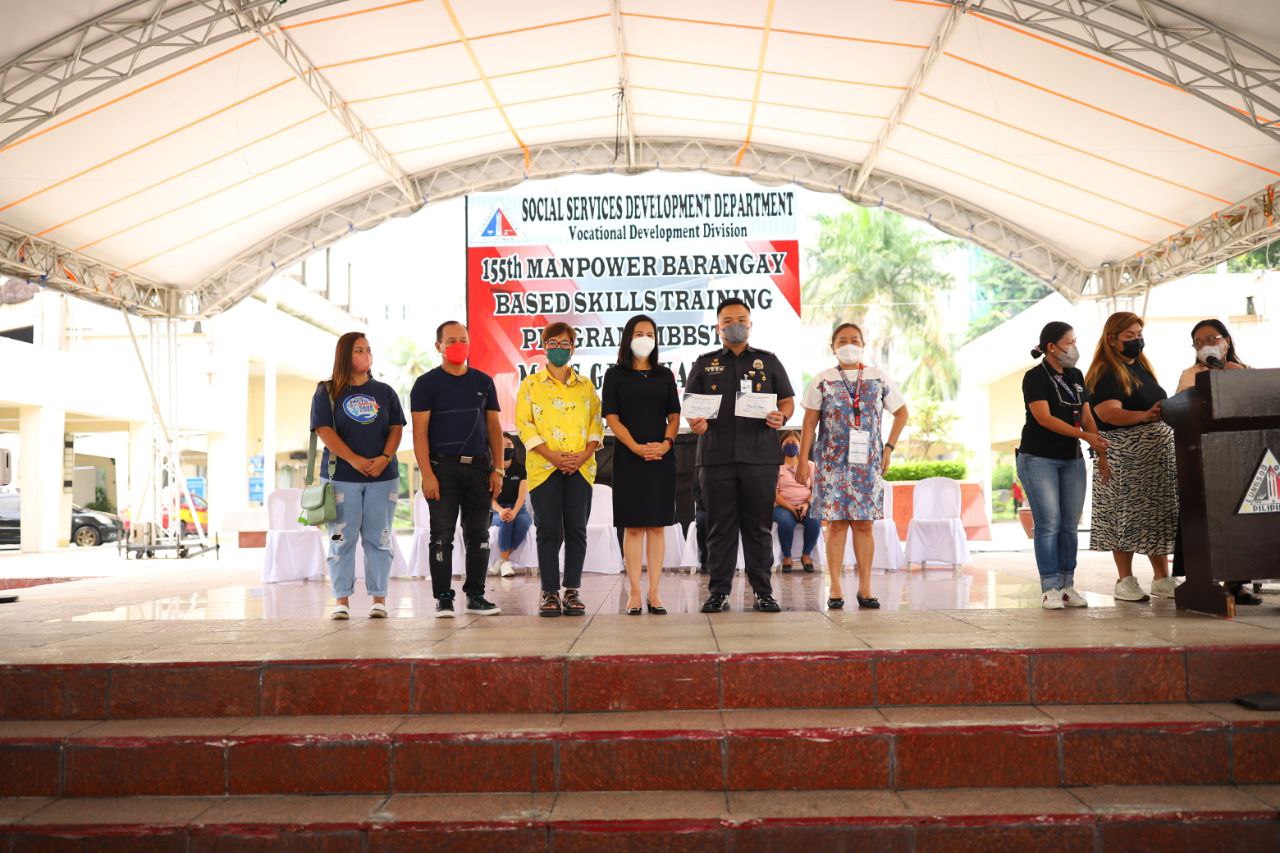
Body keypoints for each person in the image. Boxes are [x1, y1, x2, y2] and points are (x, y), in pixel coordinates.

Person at [685, 297, 795, 613]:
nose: (736, 325)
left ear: (750, 324)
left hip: (759, 458)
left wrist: (782, 416)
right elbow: (691, 406)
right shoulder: (704, 364)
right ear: (718, 327)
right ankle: (718, 593)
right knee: (719, 528)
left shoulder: (768, 361)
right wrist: (696, 422)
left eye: (741, 319)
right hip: (716, 457)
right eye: (728, 320)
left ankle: (763, 592)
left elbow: (787, 400)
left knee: (758, 528)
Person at [795, 323, 908, 609]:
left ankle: (865, 587)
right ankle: (835, 587)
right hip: (831, 463)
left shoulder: (878, 377)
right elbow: (809, 423)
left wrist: (889, 447)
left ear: (863, 345)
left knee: (864, 524)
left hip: (867, 463)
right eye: (842, 340)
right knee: (835, 524)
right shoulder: (823, 379)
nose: (849, 344)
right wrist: (802, 460)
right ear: (833, 347)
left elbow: (902, 413)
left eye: (855, 340)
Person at [409, 321, 503, 617]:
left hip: (479, 469)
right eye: (451, 341)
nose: (458, 345)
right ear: (438, 346)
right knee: (441, 535)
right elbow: (419, 433)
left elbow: (494, 427)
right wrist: (427, 474)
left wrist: (498, 469)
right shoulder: (426, 384)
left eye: (463, 340)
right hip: (441, 469)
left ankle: (476, 595)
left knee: (479, 535)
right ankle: (443, 598)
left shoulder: (483, 382)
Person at [1014, 322, 1110, 609]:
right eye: (1069, 342)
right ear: (1051, 347)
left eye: (1075, 341)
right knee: (1049, 524)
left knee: (1069, 525)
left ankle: (1067, 585)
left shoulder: (1076, 376)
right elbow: (1043, 417)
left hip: (1072, 459)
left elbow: (1087, 416)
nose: (1074, 348)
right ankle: (1049, 588)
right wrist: (1083, 435)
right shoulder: (1035, 377)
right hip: (1038, 458)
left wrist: (1100, 450)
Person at [310, 332, 405, 620]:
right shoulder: (326, 391)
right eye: (359, 350)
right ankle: (341, 600)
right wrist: (354, 459)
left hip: (383, 478)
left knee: (380, 538)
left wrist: (384, 458)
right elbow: (324, 430)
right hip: (340, 478)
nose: (366, 355)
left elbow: (396, 428)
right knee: (341, 539)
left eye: (368, 349)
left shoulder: (385, 392)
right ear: (344, 356)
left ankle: (379, 599)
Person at [1085, 311, 1178, 602]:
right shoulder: (1106, 373)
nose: (1137, 340)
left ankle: (1162, 578)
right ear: (1112, 339)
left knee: (1155, 515)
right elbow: (1107, 413)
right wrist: (1143, 416)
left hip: (1155, 458)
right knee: (1123, 516)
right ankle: (1124, 579)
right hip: (1123, 456)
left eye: (1139, 334)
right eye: (1130, 336)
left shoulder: (1141, 367)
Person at [515, 322, 603, 617]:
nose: (559, 349)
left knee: (577, 529)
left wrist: (583, 455)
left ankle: (572, 591)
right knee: (548, 530)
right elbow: (524, 425)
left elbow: (596, 423)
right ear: (544, 347)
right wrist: (552, 456)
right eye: (553, 343)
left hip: (581, 467)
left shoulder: (586, 386)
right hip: (544, 468)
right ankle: (549, 592)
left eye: (565, 344)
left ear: (573, 348)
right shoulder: (530, 385)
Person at [1173, 319, 1261, 605]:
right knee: (1212, 521)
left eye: (1211, 339)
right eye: (1198, 342)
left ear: (1226, 341)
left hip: (1243, 457)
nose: (1205, 346)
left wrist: (1239, 380)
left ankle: (1237, 582)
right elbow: (1181, 410)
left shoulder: (1245, 371)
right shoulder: (1191, 375)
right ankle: (1204, 581)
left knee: (1243, 518)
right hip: (1203, 460)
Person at [602, 314, 681, 615]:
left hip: (661, 456)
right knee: (633, 527)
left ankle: (654, 592)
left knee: (657, 527)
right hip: (628, 457)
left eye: (650, 334)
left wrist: (666, 443)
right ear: (628, 338)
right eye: (639, 333)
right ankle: (635, 592)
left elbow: (674, 416)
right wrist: (635, 447)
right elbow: (612, 418)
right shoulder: (615, 375)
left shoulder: (665, 375)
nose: (645, 338)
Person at [774, 430, 821, 574]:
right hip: (783, 506)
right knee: (786, 522)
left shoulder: (810, 465)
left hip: (806, 504)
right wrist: (791, 508)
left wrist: (807, 504)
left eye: (794, 443)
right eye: (787, 442)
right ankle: (787, 557)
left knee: (815, 519)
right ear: (781, 446)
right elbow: (774, 494)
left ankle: (806, 556)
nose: (791, 445)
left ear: (801, 446)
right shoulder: (776, 466)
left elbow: (816, 489)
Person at [489, 433, 529, 578]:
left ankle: (502, 560)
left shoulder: (521, 468)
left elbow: (521, 497)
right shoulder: (490, 470)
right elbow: (488, 499)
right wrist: (501, 511)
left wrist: (514, 512)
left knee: (523, 522)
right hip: (496, 510)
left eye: (509, 445)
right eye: (502, 445)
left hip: (518, 508)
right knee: (506, 520)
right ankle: (505, 563)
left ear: (514, 447)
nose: (506, 448)